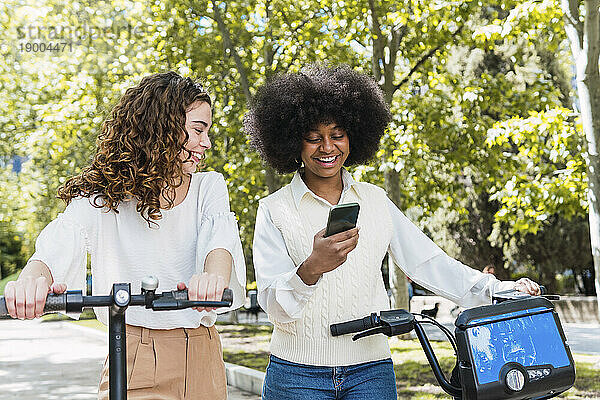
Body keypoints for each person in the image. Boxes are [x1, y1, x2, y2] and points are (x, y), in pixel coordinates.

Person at [244, 64, 540, 400]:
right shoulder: (274, 209)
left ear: (354, 136)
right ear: (292, 143)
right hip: (295, 375)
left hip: (371, 372)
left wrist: (498, 290)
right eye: (313, 138)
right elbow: (274, 307)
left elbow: (427, 262)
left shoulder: (375, 200)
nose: (327, 147)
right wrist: (311, 268)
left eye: (337, 134)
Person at [3, 71, 246, 400]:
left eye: (207, 132)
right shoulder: (103, 197)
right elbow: (54, 247)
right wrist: (31, 282)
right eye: (198, 130)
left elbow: (219, 244)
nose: (206, 143)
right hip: (133, 351)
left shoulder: (209, 186)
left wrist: (213, 279)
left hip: (201, 351)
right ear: (162, 128)